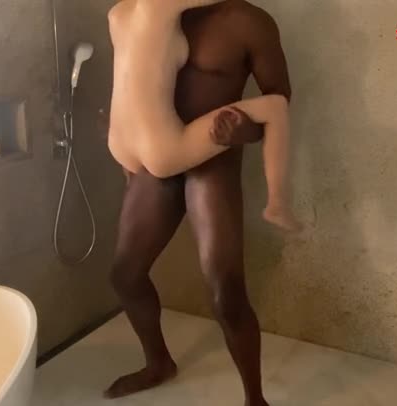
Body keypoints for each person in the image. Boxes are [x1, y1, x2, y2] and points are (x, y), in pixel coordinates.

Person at [105, 1, 291, 405]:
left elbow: (279, 101)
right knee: (125, 275)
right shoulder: (152, 10)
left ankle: (255, 399)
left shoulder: (248, 22)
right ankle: (158, 363)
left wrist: (244, 132)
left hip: (212, 162)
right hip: (157, 157)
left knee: (226, 292)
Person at [107, 0, 298, 230]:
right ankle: (277, 203)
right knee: (276, 107)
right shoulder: (159, 5)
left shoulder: (117, 14)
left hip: (119, 144)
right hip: (160, 146)